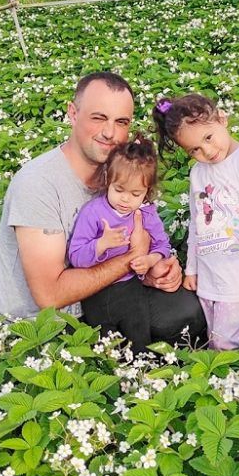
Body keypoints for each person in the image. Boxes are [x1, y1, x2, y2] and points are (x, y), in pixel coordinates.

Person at [0, 72, 205, 348]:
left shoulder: (121, 172)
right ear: (72, 113)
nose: (110, 133)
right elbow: (50, 295)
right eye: (98, 118)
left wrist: (154, 265)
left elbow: (146, 230)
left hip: (110, 293)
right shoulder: (37, 184)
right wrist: (134, 257)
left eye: (121, 122)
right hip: (46, 323)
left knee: (185, 313)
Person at [153, 93, 239, 350]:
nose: (206, 151)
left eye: (208, 137)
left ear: (222, 119)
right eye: (194, 149)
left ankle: (234, 385)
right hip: (209, 272)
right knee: (212, 335)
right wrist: (192, 269)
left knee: (226, 342)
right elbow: (197, 222)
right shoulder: (198, 172)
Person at [66, 135, 174, 351]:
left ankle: (143, 375)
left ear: (147, 191)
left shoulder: (146, 213)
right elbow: (76, 256)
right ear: (108, 180)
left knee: (139, 339)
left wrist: (149, 258)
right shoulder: (94, 212)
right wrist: (101, 244)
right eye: (119, 190)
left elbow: (163, 245)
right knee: (106, 346)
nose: (125, 199)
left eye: (136, 194)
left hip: (130, 289)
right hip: (95, 291)